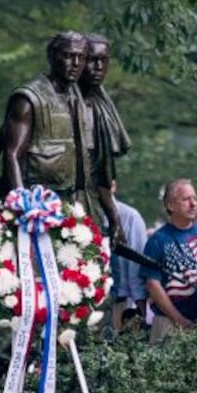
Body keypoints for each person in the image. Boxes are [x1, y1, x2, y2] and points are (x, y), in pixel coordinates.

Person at [0, 31, 120, 238]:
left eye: (81, 57)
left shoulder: (80, 101)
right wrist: (24, 206)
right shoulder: (29, 99)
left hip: (75, 209)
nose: (75, 63)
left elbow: (97, 173)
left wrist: (113, 218)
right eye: (68, 56)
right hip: (38, 208)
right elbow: (11, 155)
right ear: (52, 56)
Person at [142, 178, 197, 342]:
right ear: (170, 206)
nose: (193, 203)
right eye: (186, 199)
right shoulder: (158, 240)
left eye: (194, 198)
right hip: (168, 323)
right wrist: (179, 320)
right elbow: (153, 285)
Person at [78, 33, 130, 247]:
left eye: (103, 60)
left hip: (90, 207)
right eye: (92, 60)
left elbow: (101, 175)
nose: (98, 67)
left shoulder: (100, 109)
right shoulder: (60, 103)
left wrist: (114, 219)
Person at [108, 183, 149, 333]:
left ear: (113, 185)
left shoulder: (129, 216)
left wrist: (141, 308)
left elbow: (136, 264)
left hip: (121, 303)